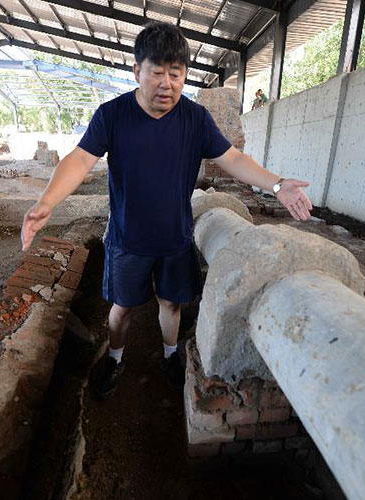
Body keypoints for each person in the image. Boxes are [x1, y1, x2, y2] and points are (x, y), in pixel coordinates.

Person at [21, 22, 313, 400]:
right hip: (128, 240)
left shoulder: (195, 119)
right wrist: (46, 202)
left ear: (184, 75)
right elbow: (79, 159)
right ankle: (114, 356)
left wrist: (276, 184)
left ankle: (171, 354)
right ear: (136, 71)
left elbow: (232, 158)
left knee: (171, 303)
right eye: (157, 73)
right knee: (123, 308)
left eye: (176, 74)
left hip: (175, 238)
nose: (167, 84)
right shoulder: (112, 115)